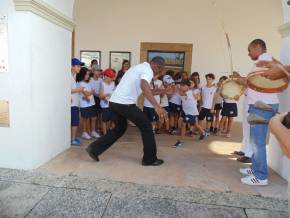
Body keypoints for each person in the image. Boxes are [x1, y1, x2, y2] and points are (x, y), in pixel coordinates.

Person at [86, 56, 168, 166]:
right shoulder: (147, 70)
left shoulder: (140, 67)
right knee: (146, 126)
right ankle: (150, 159)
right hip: (125, 104)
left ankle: (94, 149)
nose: (159, 71)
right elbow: (144, 86)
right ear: (154, 64)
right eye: (159, 68)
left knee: (120, 128)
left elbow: (147, 90)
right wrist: (157, 106)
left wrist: (165, 90)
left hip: (114, 102)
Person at [239, 39, 280, 186]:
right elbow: (256, 82)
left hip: (262, 106)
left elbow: (252, 82)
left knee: (258, 143)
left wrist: (240, 79)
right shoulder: (265, 60)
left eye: (250, 50)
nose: (249, 53)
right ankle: (255, 169)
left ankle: (261, 176)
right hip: (260, 105)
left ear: (258, 47)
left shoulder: (264, 61)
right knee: (255, 141)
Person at [173, 80, 206, 147]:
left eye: (183, 86)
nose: (181, 87)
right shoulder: (183, 91)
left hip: (191, 112)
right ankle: (203, 133)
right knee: (194, 124)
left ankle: (180, 142)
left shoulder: (190, 92)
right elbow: (181, 94)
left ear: (187, 86)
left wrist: (176, 87)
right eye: (181, 85)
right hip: (186, 112)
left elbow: (182, 94)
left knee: (183, 124)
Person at [76, 67, 99, 140]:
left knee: (93, 118)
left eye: (88, 74)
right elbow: (86, 93)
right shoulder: (80, 83)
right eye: (86, 74)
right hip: (84, 104)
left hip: (91, 103)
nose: (88, 76)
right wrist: (90, 92)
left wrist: (89, 93)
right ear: (82, 75)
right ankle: (84, 132)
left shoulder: (88, 82)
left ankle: (92, 131)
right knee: (85, 119)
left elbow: (88, 93)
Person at [71, 58, 83, 145]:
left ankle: (73, 138)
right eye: (78, 66)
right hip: (71, 104)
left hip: (74, 103)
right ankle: (73, 139)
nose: (79, 68)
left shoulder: (74, 76)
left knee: (75, 122)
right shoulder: (68, 76)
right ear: (72, 66)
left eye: (80, 66)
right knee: (74, 122)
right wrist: (78, 89)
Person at [99, 69, 116, 135]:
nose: (112, 79)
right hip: (105, 105)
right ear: (105, 76)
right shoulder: (102, 84)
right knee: (104, 120)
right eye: (110, 77)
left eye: (112, 77)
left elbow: (114, 92)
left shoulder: (113, 83)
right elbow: (100, 96)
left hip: (112, 104)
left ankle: (111, 131)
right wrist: (107, 95)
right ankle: (105, 133)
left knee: (113, 118)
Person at [89, 66, 103, 136]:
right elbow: (91, 91)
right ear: (93, 71)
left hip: (99, 99)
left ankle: (96, 129)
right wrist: (97, 95)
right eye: (97, 70)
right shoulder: (90, 80)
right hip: (92, 98)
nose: (99, 72)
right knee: (92, 116)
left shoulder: (101, 80)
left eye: (99, 71)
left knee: (99, 115)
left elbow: (102, 89)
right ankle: (91, 130)